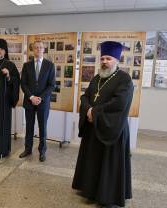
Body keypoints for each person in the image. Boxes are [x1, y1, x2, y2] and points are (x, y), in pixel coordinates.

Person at [72, 41, 134, 208]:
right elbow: (85, 97)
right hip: (94, 127)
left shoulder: (124, 79)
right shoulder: (97, 78)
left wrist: (94, 112)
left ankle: (107, 195)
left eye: (109, 58)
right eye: (103, 58)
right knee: (93, 160)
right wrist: (88, 110)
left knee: (108, 162)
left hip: (112, 128)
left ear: (117, 60)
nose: (105, 61)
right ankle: (90, 191)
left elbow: (119, 103)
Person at [19, 41, 56, 162]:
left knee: (42, 128)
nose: (38, 49)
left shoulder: (50, 65)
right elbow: (23, 84)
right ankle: (28, 149)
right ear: (33, 50)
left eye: (40, 47)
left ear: (44, 49)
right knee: (29, 127)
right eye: (36, 48)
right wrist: (31, 97)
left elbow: (51, 85)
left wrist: (40, 98)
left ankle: (42, 151)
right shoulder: (26, 65)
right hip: (29, 101)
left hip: (43, 102)